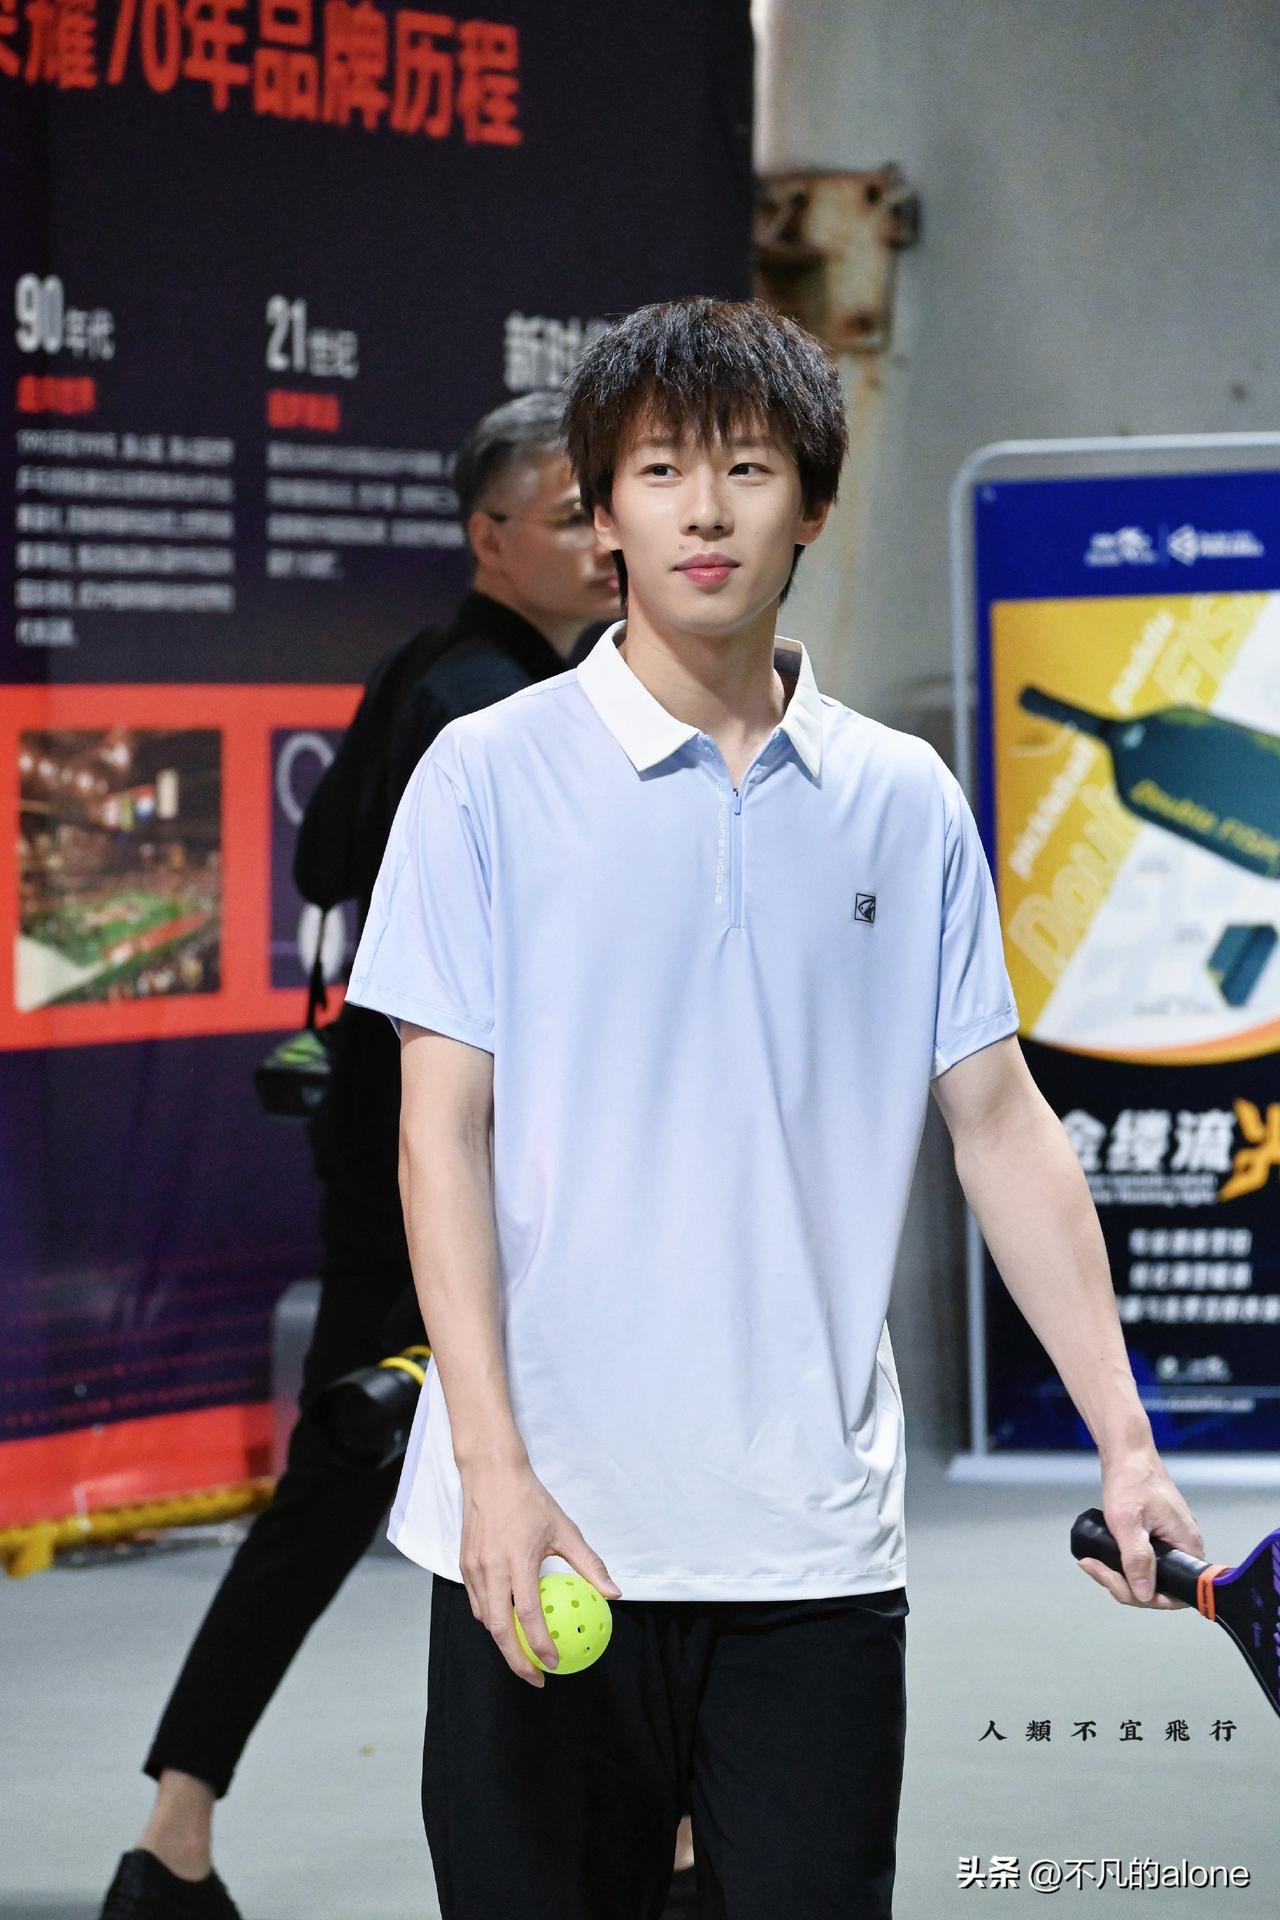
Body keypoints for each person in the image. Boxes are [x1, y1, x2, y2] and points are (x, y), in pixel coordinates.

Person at [343, 294, 1206, 1919]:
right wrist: (492, 1467)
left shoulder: (901, 799)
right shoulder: (487, 777)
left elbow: (999, 1123)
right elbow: (436, 1132)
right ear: (604, 515)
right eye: (660, 470)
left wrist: (1126, 1439)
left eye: (747, 469)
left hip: (811, 1545)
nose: (706, 510)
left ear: (810, 505)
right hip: (543, 1531)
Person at [97, 390, 624, 1920]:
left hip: (399, 1153)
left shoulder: (431, 672)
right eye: (575, 513)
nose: (608, 540)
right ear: (489, 536)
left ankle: (175, 1832)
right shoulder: (494, 711)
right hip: (449, 1169)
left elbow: (325, 858)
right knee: (414, 1477)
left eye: (611, 507)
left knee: (342, 1486)